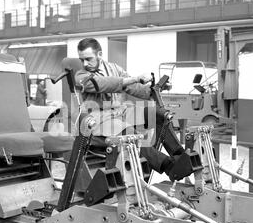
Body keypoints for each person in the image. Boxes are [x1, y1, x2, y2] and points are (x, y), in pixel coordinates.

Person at [75, 38, 196, 182]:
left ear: (99, 54)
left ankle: (180, 157)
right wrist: (135, 78)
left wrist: (155, 89)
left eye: (88, 59)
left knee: (159, 115)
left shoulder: (114, 68)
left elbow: (133, 87)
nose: (85, 64)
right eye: (82, 60)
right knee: (132, 136)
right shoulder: (80, 76)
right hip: (98, 119)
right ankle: (169, 167)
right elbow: (104, 84)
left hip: (120, 112)